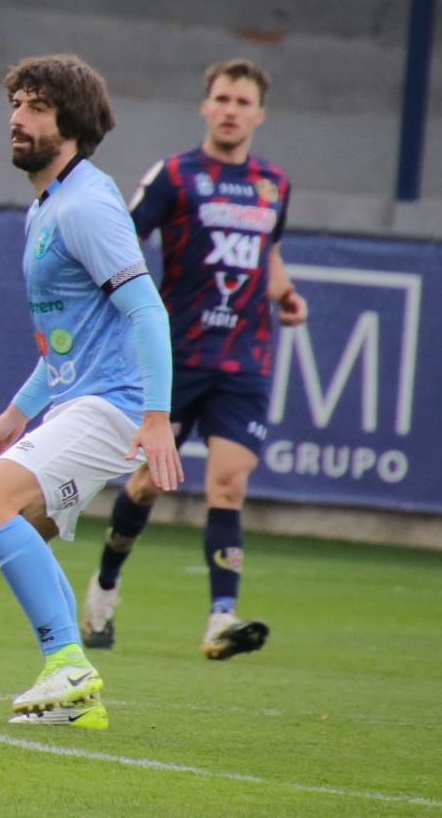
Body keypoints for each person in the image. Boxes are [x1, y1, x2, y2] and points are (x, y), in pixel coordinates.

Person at [0, 54, 181, 730]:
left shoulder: (86, 205)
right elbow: (69, 341)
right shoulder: (50, 204)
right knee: (25, 526)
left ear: (73, 124)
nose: (17, 118)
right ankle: (79, 698)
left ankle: (67, 662)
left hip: (112, 403)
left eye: (36, 108)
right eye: (16, 104)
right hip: (82, 398)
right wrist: (17, 413)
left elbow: (147, 310)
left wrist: (156, 418)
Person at [80, 59, 306, 660]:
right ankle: (105, 584)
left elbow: (267, 253)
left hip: (245, 359)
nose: (232, 110)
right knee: (149, 481)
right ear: (206, 106)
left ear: (259, 114)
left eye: (243, 102)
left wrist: (284, 293)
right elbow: (122, 241)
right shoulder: (175, 176)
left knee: (228, 485)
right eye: (223, 99)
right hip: (176, 356)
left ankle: (220, 619)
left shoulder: (274, 185)